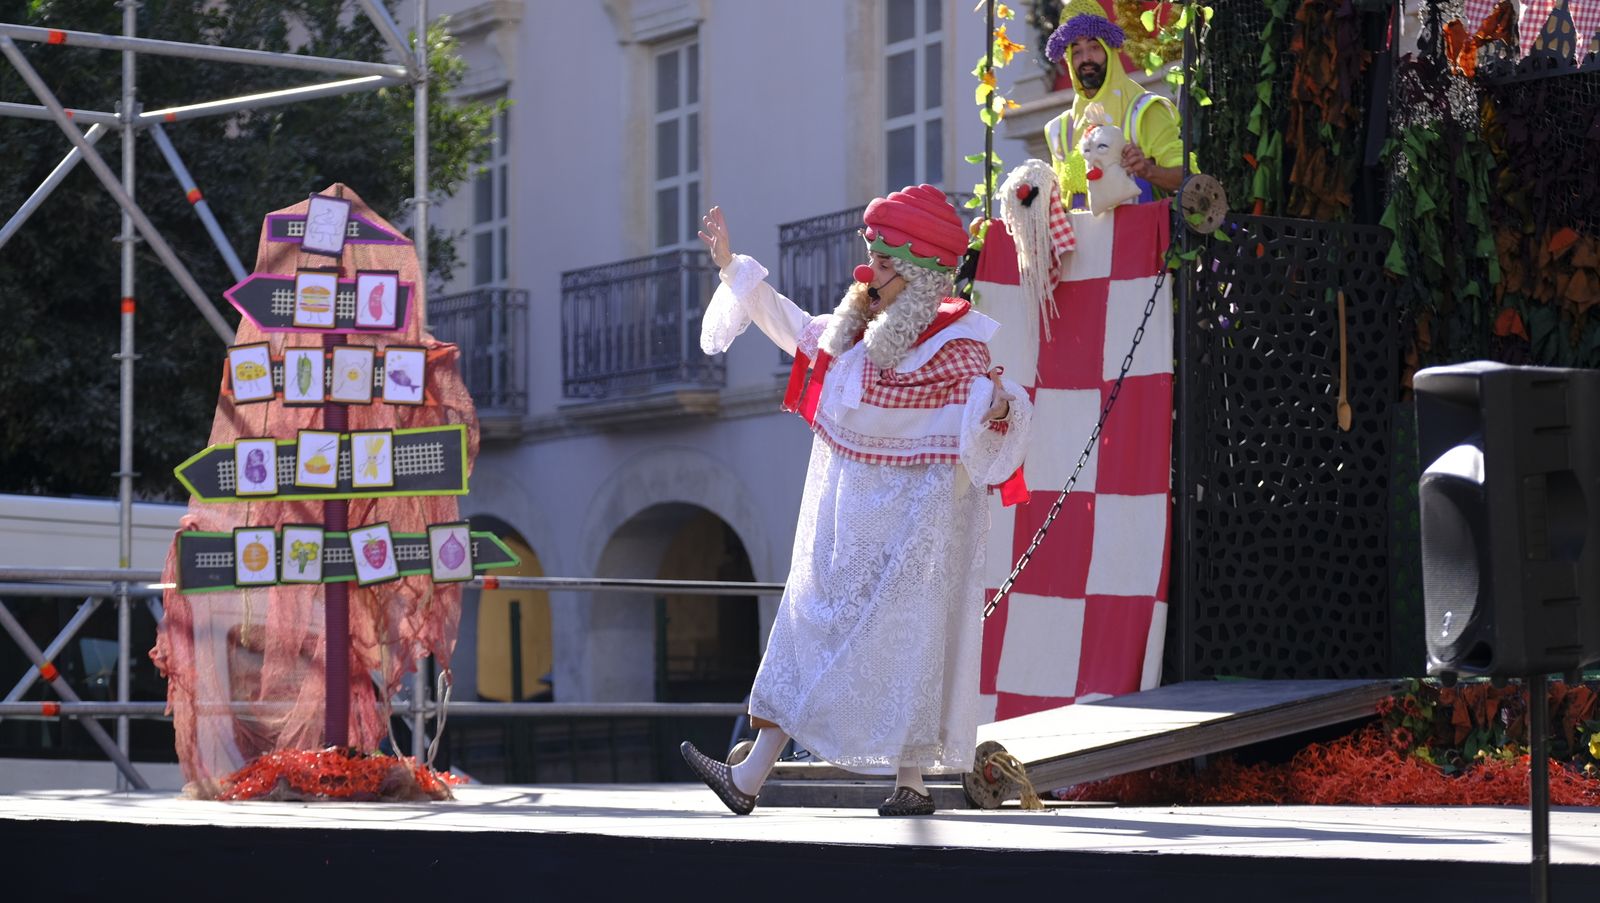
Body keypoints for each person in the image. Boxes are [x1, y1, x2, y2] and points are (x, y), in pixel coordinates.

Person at [679, 186, 1033, 817]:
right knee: (808, 627)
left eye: (889, 262)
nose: (872, 273)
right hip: (846, 529)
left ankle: (910, 784)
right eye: (873, 255)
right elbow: (790, 324)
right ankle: (754, 776)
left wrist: (1002, 407)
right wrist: (735, 268)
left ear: (924, 271)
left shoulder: (960, 347)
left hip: (918, 536)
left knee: (913, 641)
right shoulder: (856, 340)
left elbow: (985, 421)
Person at [1043, 0, 1185, 210]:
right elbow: (1061, 207)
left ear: (1110, 50)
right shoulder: (1059, 130)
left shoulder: (1144, 109)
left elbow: (1186, 178)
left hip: (1141, 239)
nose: (1086, 59)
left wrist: (1147, 170)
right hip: (1085, 242)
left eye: (1094, 47)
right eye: (1077, 51)